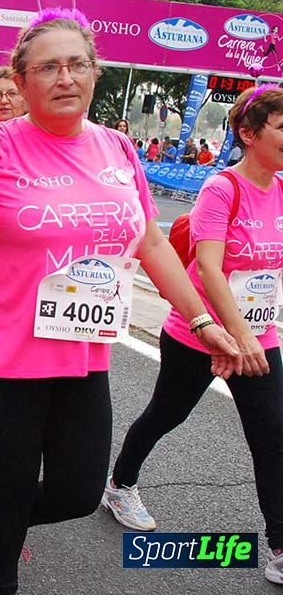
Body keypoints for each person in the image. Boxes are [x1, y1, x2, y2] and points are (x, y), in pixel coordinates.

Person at [0, 7, 240, 595]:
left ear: (96, 73)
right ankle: (0, 574)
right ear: (21, 83)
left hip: (82, 351)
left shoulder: (117, 147)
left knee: (78, 492)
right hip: (3, 354)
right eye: (48, 68)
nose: (65, 77)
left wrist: (202, 320)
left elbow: (150, 241)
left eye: (77, 64)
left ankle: (3, 525)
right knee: (13, 486)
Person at [104, 84, 283, 586]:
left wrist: (252, 334)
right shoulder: (222, 190)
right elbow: (207, 268)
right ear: (249, 133)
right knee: (168, 414)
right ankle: (120, 484)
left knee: (273, 434)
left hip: (259, 334)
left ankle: (279, 546)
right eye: (282, 127)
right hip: (198, 333)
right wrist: (234, 335)